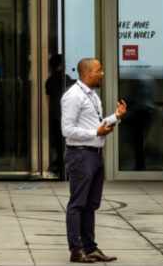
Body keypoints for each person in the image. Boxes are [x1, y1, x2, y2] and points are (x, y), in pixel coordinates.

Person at [61, 58, 127, 264]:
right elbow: (67, 130)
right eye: (99, 70)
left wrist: (115, 117)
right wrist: (95, 132)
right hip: (80, 155)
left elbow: (96, 125)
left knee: (91, 205)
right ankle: (76, 250)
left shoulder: (92, 95)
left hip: (95, 155)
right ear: (88, 73)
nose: (103, 73)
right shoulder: (73, 96)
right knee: (78, 204)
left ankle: (90, 247)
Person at [44, 53, 66, 178]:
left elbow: (49, 102)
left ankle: (59, 169)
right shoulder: (65, 78)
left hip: (55, 117)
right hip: (66, 116)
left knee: (58, 145)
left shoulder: (49, 81)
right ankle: (64, 170)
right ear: (60, 64)